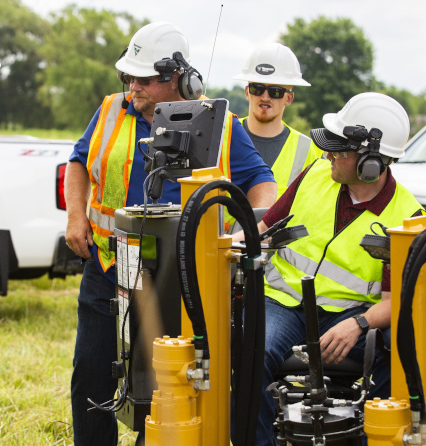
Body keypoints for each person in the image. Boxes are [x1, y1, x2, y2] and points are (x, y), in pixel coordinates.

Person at [64, 21, 277, 446]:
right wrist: (75, 217)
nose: (133, 87)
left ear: (176, 77)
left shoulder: (220, 124)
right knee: (91, 374)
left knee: (164, 382)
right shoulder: (110, 109)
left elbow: (263, 186)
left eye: (143, 80)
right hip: (109, 268)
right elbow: (77, 161)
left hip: (177, 283)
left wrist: (243, 231)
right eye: (129, 77)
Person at [253, 92, 424, 445]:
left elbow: (397, 302)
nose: (327, 154)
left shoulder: (407, 217)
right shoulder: (317, 172)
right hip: (284, 304)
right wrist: (224, 243)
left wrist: (358, 324)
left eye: (338, 149)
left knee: (399, 357)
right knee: (254, 348)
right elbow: (265, 226)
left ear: (370, 162)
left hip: (348, 317)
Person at [233, 42, 323, 198]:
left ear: (289, 98)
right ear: (247, 92)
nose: (265, 97)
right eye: (258, 88)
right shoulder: (223, 135)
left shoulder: (308, 151)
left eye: (275, 92)